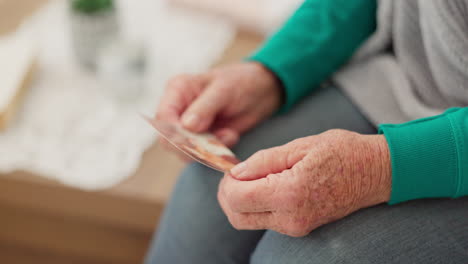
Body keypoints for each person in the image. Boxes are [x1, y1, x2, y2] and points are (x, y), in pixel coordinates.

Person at [145, 0, 468, 263]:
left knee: (303, 257)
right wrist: (272, 72)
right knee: (204, 190)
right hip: (402, 79)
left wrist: (379, 169)